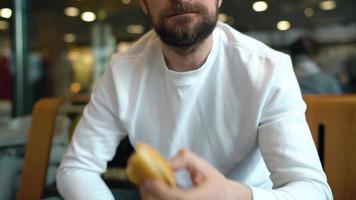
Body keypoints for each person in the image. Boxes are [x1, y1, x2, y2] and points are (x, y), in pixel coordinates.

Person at [56, 0, 333, 199]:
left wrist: (233, 196)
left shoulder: (267, 70)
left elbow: (313, 190)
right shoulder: (122, 71)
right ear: (143, 4)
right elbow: (77, 168)